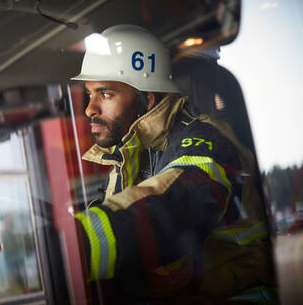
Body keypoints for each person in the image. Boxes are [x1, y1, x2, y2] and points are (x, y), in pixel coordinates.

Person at [71, 25, 276, 304]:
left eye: (105, 94)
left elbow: (174, 205)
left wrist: (72, 247)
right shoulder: (129, 157)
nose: (89, 108)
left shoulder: (210, 141)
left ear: (148, 99)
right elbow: (113, 211)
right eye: (90, 93)